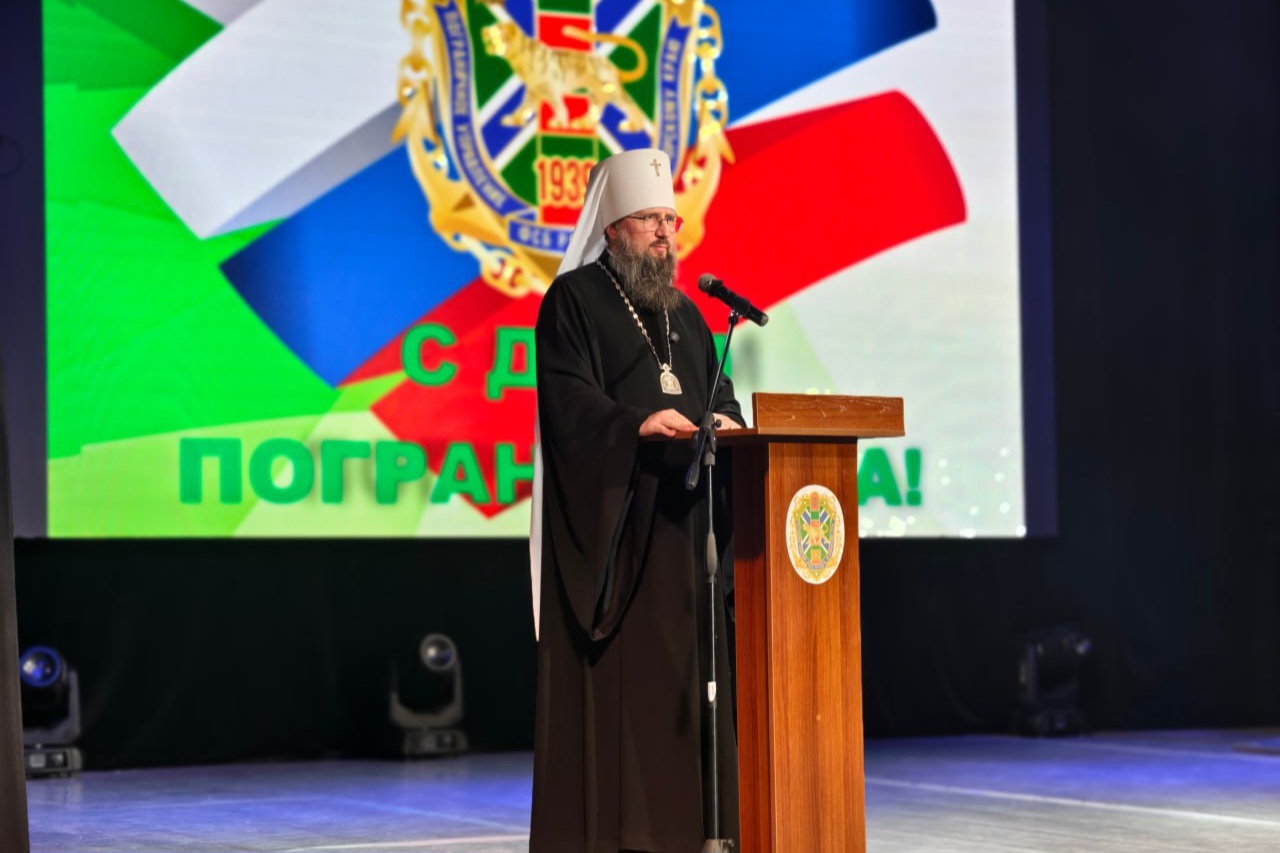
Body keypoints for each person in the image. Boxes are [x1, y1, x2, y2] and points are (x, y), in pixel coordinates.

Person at [528, 148, 743, 853]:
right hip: (620, 532)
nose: (664, 232)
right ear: (614, 227)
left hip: (684, 533)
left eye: (670, 220)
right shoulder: (573, 300)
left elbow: (720, 396)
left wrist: (728, 423)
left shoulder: (689, 313)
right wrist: (635, 426)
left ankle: (694, 831)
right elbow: (567, 402)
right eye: (649, 219)